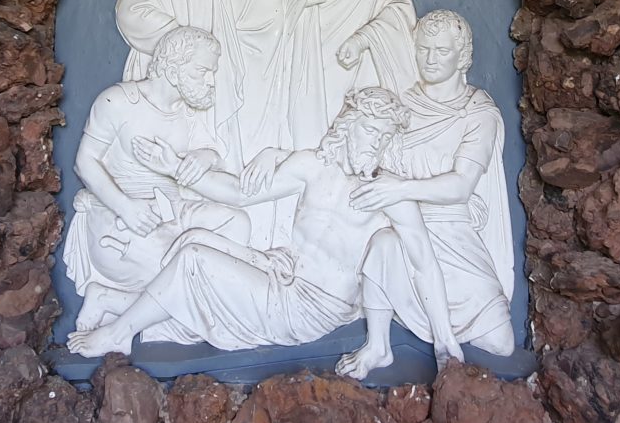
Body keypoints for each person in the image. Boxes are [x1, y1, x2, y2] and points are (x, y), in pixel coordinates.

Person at [67, 88, 423, 356]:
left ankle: (118, 333)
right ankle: (112, 299)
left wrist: (446, 343)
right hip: (283, 278)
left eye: (385, 136)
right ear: (348, 127)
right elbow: (239, 193)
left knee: (194, 264)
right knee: (196, 258)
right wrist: (174, 167)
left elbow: (422, 259)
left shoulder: (387, 190)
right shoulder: (312, 165)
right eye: (370, 130)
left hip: (310, 309)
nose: (376, 143)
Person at [115, 0, 320, 244]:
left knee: (224, 164)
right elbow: (132, 11)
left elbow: (269, 15)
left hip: (227, 85)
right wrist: (184, 46)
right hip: (189, 87)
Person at [335, 10, 517, 379]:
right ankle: (377, 344)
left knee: (501, 343)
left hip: (454, 234)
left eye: (442, 50)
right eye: (423, 49)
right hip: (403, 221)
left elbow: (462, 185)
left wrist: (402, 187)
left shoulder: (476, 113)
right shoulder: (401, 105)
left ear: (462, 56)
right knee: (383, 244)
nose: (431, 58)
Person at [62, 27, 251, 339]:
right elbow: (85, 161)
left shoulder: (191, 112)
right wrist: (126, 208)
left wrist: (206, 156)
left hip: (173, 210)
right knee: (176, 270)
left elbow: (217, 156)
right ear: (174, 69)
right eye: (203, 71)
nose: (210, 80)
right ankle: (108, 297)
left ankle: (114, 301)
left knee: (237, 223)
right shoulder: (118, 101)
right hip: (123, 217)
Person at [265, 0, 418, 239]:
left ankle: (352, 236)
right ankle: (297, 236)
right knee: (310, 157)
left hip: (364, 81)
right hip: (310, 78)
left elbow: (401, 16)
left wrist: (365, 36)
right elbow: (267, 16)